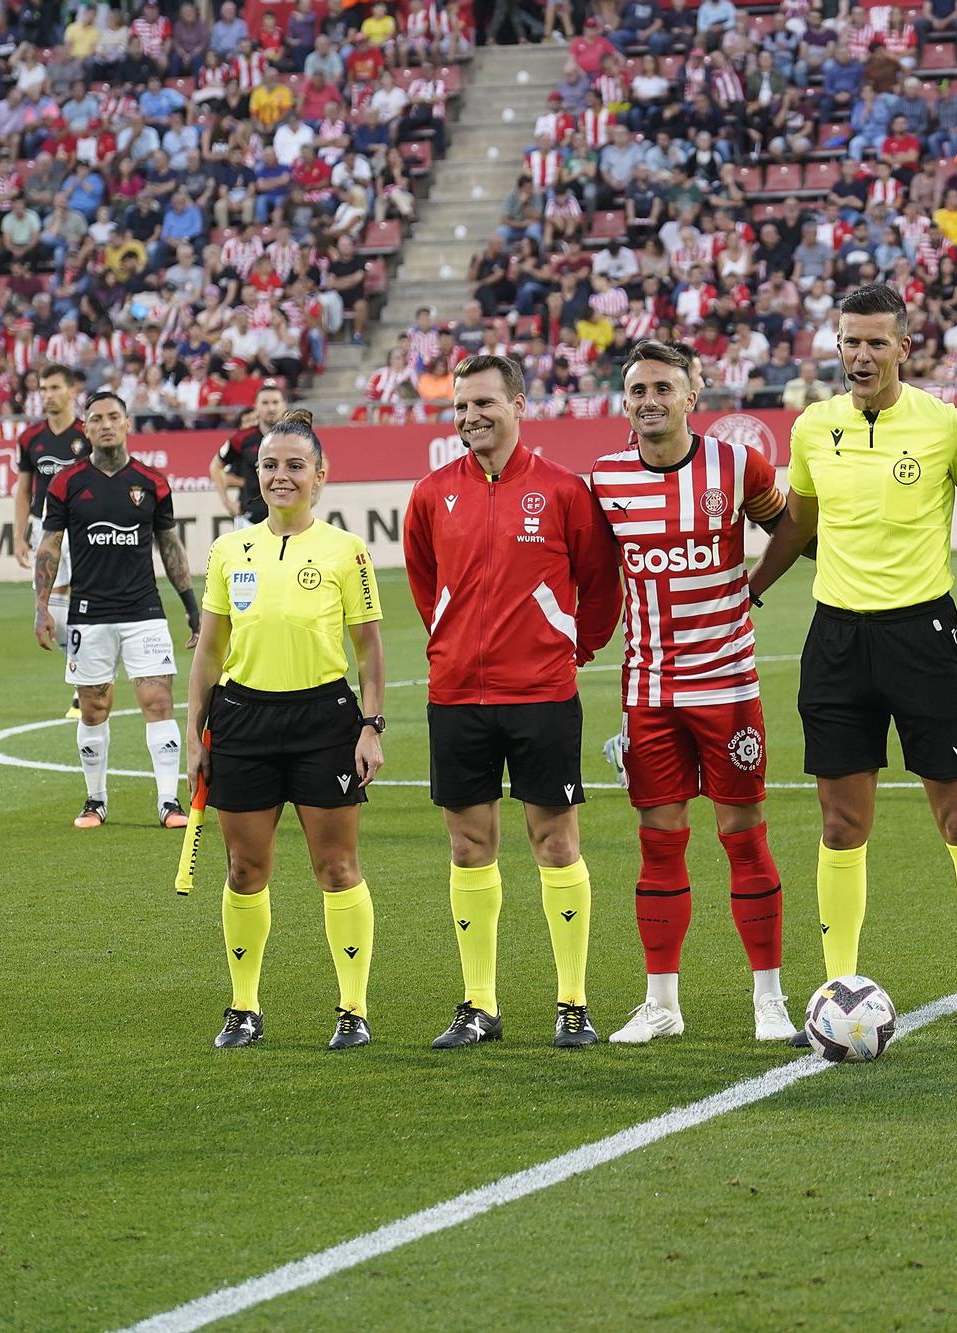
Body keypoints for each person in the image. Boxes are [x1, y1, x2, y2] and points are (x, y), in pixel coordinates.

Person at [748, 283, 957, 1045]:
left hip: (923, 636)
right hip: (836, 640)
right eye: (850, 342)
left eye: (876, 342)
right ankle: (836, 992)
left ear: (904, 347)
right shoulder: (812, 426)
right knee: (840, 822)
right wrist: (754, 589)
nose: (860, 356)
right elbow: (800, 520)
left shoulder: (943, 427)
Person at [403, 355, 621, 1050]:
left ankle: (573, 1003)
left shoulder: (562, 490)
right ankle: (479, 1004)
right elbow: (423, 582)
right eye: (462, 405)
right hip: (458, 695)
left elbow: (601, 584)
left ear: (519, 405)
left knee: (555, 841)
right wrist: (451, 642)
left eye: (484, 403)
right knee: (470, 845)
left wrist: (571, 649)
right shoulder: (432, 494)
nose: (471, 416)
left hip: (543, 694)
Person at [588, 341, 798, 1045]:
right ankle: (661, 1003)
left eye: (663, 387)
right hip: (649, 691)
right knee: (659, 842)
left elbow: (792, 525)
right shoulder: (606, 479)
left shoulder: (736, 465)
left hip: (729, 684)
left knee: (743, 835)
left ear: (692, 395)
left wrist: (755, 586)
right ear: (625, 401)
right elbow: (591, 574)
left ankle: (768, 997)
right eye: (637, 388)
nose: (649, 399)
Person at [183, 410, 386, 1051]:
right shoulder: (227, 550)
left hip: (325, 721)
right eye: (270, 465)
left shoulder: (345, 552)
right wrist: (196, 734)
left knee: (337, 867)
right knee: (245, 870)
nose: (280, 476)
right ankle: (244, 1007)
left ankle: (352, 1009)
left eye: (295, 465)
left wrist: (371, 724)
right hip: (241, 721)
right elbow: (210, 653)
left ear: (320, 477)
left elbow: (370, 651)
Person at [33, 392, 201, 829]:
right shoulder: (66, 483)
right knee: (93, 709)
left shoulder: (153, 482)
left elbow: (170, 547)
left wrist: (191, 607)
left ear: (127, 424)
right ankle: (95, 800)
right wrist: (41, 607)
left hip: (144, 610)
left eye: (113, 417)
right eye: (96, 419)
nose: (105, 424)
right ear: (84, 429)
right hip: (89, 615)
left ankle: (168, 802)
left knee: (158, 701)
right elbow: (49, 546)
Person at [12, 362, 90, 717]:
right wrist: (18, 534)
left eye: (55, 388)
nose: (48, 395)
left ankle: (82, 682)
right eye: (42, 389)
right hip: (45, 527)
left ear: (72, 391)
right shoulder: (30, 438)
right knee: (50, 613)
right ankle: (82, 665)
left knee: (89, 605)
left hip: (84, 527)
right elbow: (24, 488)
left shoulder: (88, 434)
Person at [209, 380, 287, 527]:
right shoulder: (242, 438)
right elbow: (215, 466)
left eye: (275, 402)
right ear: (255, 406)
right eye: (265, 403)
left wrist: (315, 495)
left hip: (288, 520)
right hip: (251, 520)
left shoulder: (297, 437)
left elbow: (322, 462)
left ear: (284, 405)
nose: (271, 408)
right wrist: (226, 502)